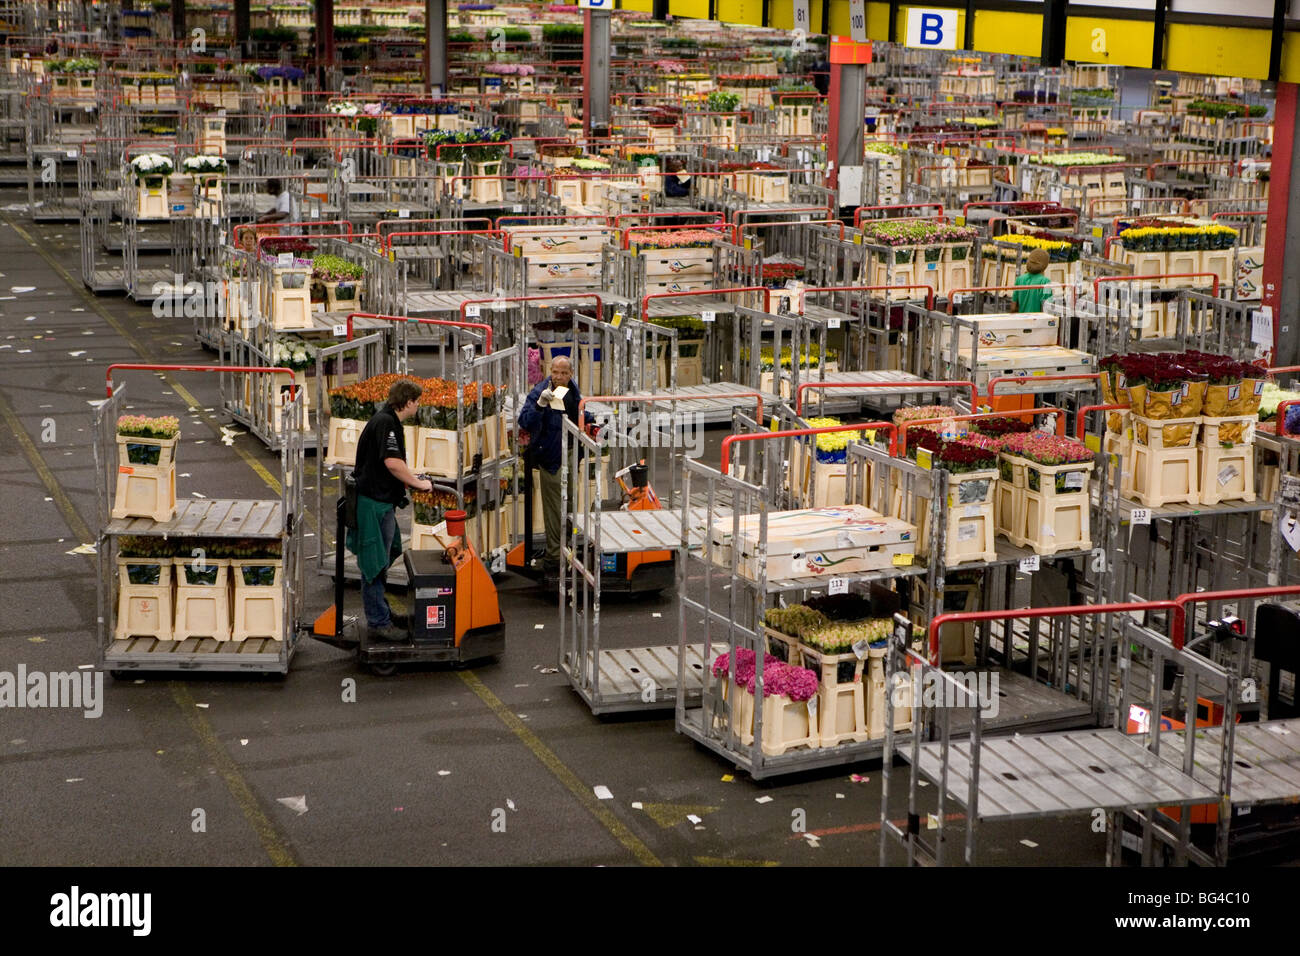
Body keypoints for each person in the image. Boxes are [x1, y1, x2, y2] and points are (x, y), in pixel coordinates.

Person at [346, 378, 433, 641]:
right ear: (408, 402)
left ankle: (381, 611)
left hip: (381, 502)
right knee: (373, 564)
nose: (418, 406)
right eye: (417, 402)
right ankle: (378, 622)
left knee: (383, 559)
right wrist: (418, 482)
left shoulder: (387, 420)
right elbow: (393, 462)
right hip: (372, 504)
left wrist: (413, 475)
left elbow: (394, 464)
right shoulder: (386, 423)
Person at [517, 355, 592, 577]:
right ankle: (553, 558)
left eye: (563, 373)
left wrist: (589, 417)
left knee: (569, 505)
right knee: (554, 510)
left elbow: (575, 413)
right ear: (550, 371)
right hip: (550, 457)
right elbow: (525, 421)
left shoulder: (572, 390)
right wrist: (540, 405)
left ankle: (566, 550)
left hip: (569, 453)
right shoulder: (540, 391)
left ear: (571, 374)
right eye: (555, 372)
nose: (559, 377)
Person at [1012, 247, 1054, 313]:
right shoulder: (1046, 282)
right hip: (1037, 321)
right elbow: (1046, 309)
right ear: (1045, 265)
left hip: (1022, 320)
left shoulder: (1019, 279)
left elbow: (1013, 307)